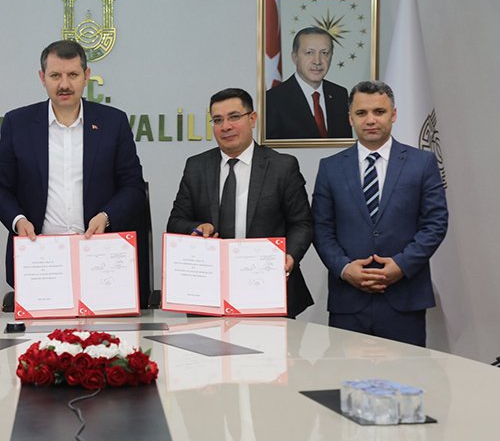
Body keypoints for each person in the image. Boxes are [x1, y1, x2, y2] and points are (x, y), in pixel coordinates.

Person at [0, 40, 145, 288]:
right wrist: (19, 221)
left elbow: (133, 187)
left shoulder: (113, 122)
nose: (64, 84)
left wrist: (106, 217)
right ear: (42, 78)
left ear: (86, 76)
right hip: (38, 257)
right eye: (55, 76)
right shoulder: (17, 124)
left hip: (100, 255)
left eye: (73, 75)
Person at [312, 80, 448, 347]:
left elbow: (435, 223)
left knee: (406, 373)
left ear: (393, 115)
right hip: (348, 301)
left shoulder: (422, 163)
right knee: (345, 373)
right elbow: (321, 227)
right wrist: (344, 268)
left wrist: (402, 265)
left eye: (379, 111)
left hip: (404, 297)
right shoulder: (330, 168)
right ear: (350, 118)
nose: (371, 120)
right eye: (361, 113)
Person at [167, 88, 314, 317]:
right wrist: (197, 227)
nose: (225, 126)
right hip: (209, 294)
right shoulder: (196, 166)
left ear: (252, 119)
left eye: (234, 117)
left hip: (268, 289)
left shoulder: (282, 166)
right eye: (218, 120)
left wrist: (290, 256)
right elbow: (176, 221)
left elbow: (302, 223)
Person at [265, 27, 352, 140]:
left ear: (331, 57)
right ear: (295, 57)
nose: (317, 61)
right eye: (309, 53)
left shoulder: (340, 94)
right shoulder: (273, 99)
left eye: (324, 53)